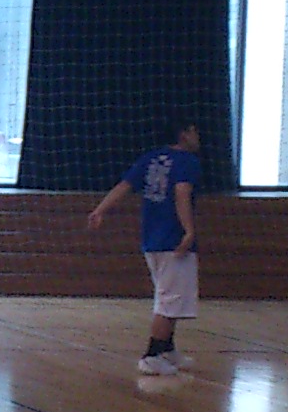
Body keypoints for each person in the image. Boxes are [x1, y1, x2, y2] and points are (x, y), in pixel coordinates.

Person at [83, 123, 201, 377]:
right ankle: (151, 356)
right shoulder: (187, 162)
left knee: (168, 296)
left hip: (151, 239)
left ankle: (167, 349)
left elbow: (124, 185)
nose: (197, 137)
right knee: (169, 301)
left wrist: (100, 210)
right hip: (173, 240)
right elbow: (181, 193)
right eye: (194, 131)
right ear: (183, 134)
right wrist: (188, 231)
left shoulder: (150, 158)